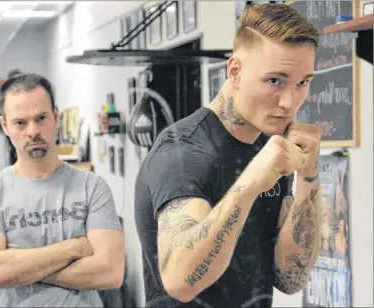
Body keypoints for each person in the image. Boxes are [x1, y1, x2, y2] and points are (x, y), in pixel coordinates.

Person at [134, 3, 322, 308]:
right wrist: (248, 184)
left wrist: (309, 178)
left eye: (302, 83)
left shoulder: (270, 144)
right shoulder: (184, 152)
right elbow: (180, 281)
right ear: (234, 71)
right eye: (275, 80)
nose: (289, 102)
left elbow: (290, 278)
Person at [0, 73, 125, 307]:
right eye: (20, 123)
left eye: (41, 118)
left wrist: (19, 268)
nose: (32, 131)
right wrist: (72, 249)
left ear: (55, 116)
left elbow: (110, 272)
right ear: (5, 125)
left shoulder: (91, 187)